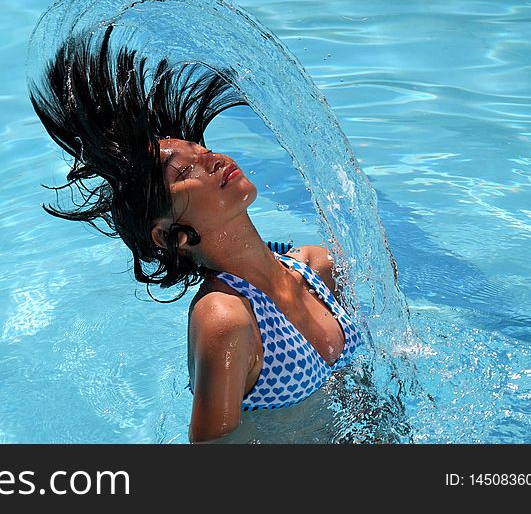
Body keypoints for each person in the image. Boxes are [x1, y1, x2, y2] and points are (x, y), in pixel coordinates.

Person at [28, 25, 362, 443]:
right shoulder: (226, 319)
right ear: (171, 235)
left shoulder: (317, 268)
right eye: (186, 171)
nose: (214, 159)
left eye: (202, 150)